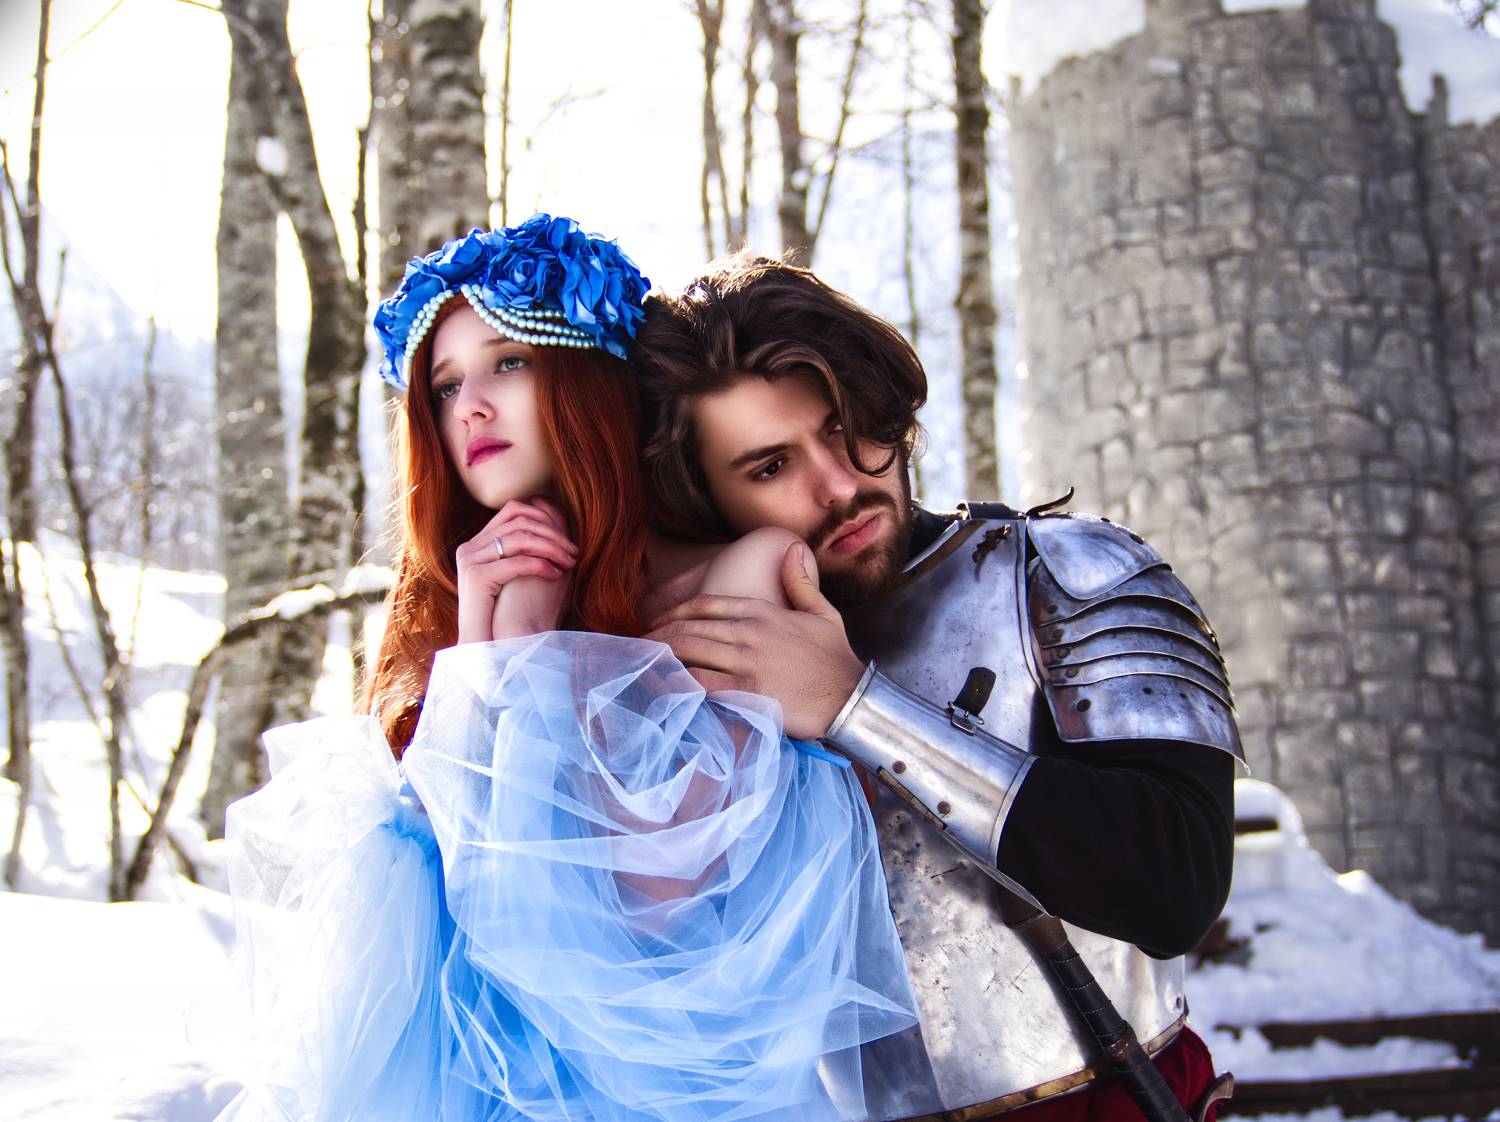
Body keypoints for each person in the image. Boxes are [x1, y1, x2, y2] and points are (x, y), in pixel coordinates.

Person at [214, 217, 918, 1122]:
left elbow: (650, 895)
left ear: (586, 378)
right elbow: (430, 908)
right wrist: (486, 643)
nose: (470, 407)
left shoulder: (745, 573)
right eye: (445, 385)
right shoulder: (473, 595)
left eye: (508, 362)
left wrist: (524, 653)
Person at [629, 253, 1242, 1121]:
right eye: (770, 467)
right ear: (701, 496)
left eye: (845, 428)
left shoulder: (1065, 576)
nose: (840, 485)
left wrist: (854, 704)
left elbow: (1176, 888)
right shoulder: (680, 663)